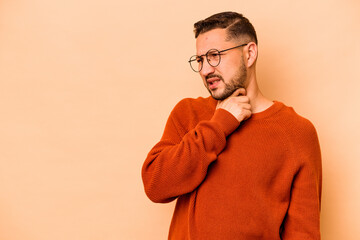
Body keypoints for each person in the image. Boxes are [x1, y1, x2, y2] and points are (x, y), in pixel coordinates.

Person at [142, 11, 322, 240]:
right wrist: (220, 125)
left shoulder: (297, 132)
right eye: (200, 60)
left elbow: (303, 233)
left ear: (250, 54)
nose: (206, 69)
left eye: (215, 55)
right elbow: (156, 185)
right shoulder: (188, 113)